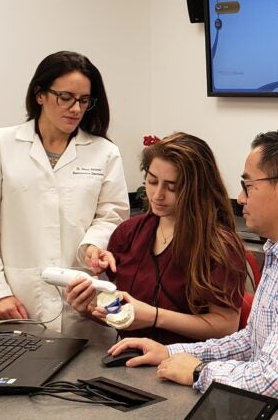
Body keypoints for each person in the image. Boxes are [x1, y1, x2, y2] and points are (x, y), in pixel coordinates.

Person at [109, 130, 278, 418]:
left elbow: (277, 380)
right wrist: (172, 353)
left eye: (248, 186)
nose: (240, 198)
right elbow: (252, 341)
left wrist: (199, 371)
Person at [0, 51, 129, 334]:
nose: (76, 109)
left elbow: (111, 215)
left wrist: (91, 246)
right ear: (39, 94)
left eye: (83, 100)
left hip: (82, 297)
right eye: (65, 97)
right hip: (17, 301)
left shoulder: (105, 152)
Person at [63, 132, 251, 344]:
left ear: (196, 189)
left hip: (186, 367)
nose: (157, 195)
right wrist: (88, 309)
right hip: (130, 362)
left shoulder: (219, 245)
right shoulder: (129, 233)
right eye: (152, 181)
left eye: (173, 187)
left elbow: (225, 326)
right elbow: (123, 315)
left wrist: (154, 317)